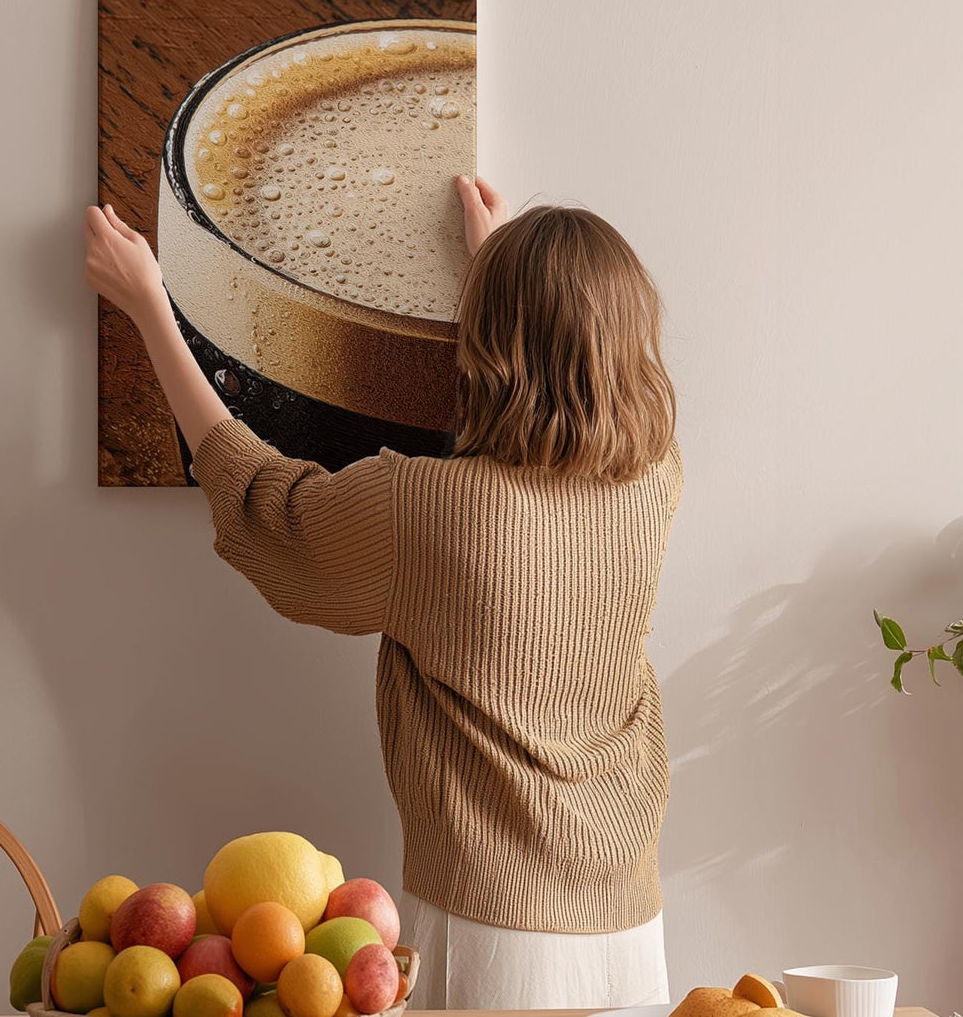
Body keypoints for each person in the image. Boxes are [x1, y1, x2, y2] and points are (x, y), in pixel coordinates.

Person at [83, 174, 682, 1009]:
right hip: (629, 917)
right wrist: (499, 272)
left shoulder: (424, 509)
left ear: (491, 340)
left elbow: (265, 503)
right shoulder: (652, 481)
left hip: (491, 926)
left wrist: (151, 306)